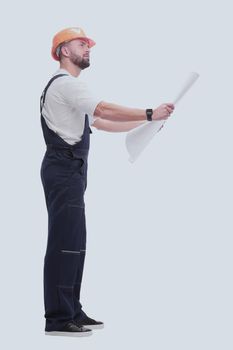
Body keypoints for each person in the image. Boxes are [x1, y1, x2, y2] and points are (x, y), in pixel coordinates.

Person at [40, 26, 175, 337]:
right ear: (64, 51)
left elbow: (99, 122)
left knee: (75, 243)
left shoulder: (70, 89)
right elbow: (103, 109)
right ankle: (58, 318)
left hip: (70, 172)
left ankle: (72, 309)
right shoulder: (66, 85)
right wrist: (149, 112)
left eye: (89, 45)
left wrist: (148, 122)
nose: (88, 49)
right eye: (81, 44)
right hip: (63, 170)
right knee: (64, 244)